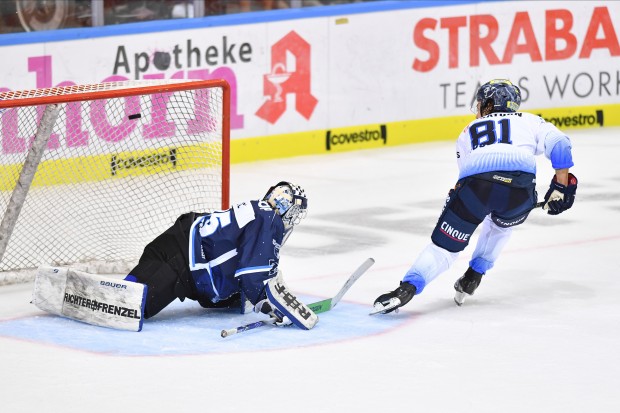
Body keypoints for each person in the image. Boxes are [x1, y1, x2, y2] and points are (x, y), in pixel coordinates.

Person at [372, 79, 578, 314]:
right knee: (500, 226)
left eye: (481, 102)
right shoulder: (531, 121)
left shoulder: (468, 130)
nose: (478, 107)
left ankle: (406, 289)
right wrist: (561, 185)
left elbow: (468, 174)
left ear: (490, 104)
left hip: (476, 190)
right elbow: (560, 143)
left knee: (444, 249)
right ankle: (474, 275)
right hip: (519, 194)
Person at [124, 181, 318, 330]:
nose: (293, 220)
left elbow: (242, 258)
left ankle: (128, 285)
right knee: (134, 304)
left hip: (188, 251)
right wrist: (269, 307)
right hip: (181, 258)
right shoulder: (269, 220)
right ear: (285, 208)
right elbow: (251, 275)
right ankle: (124, 288)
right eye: (294, 213)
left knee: (231, 293)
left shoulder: (261, 211)